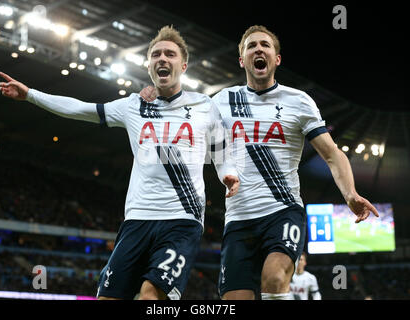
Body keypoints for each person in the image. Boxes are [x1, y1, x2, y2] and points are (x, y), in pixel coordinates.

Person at [0, 25, 239, 300]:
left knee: (151, 297)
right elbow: (81, 108)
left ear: (183, 65)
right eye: (156, 54)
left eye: (170, 54)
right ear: (148, 65)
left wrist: (228, 174)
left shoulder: (205, 106)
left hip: (181, 220)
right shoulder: (133, 106)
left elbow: (222, 150)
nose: (162, 58)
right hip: (136, 219)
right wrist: (30, 94)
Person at [141, 25, 379, 300]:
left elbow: (332, 154)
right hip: (238, 219)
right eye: (251, 46)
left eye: (265, 45)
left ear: (276, 58)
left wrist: (350, 194)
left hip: (283, 211)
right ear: (242, 60)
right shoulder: (220, 101)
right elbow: (182, 126)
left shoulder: (299, 102)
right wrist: (154, 97)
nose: (258, 49)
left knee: (275, 278)